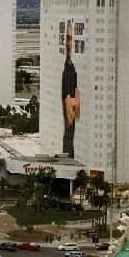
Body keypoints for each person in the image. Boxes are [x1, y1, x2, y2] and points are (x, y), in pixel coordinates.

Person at [61, 20, 81, 159]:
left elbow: (74, 108)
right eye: (67, 39)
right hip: (67, 138)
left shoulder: (74, 71)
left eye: (71, 39)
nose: (69, 44)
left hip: (72, 137)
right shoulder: (66, 68)